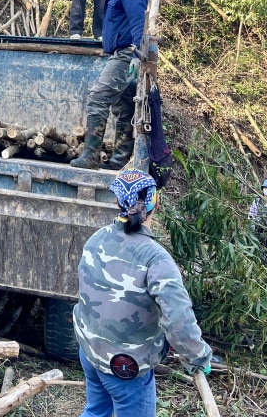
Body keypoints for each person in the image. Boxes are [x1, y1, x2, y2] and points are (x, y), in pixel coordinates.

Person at [73, 170, 212, 417]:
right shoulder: (156, 259)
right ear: (155, 203)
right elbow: (178, 319)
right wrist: (197, 356)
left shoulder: (97, 238)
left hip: (89, 351)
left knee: (96, 412)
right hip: (124, 366)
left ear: (117, 202)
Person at [71, 0, 149, 170]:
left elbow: (138, 18)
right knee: (124, 106)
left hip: (127, 53)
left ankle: (91, 155)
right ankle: (119, 159)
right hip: (123, 51)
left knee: (98, 97)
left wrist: (137, 52)